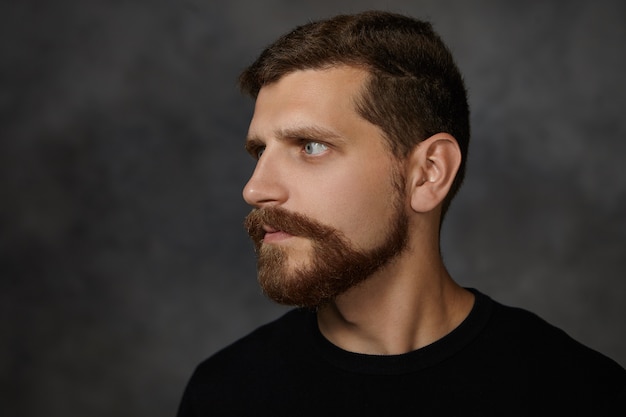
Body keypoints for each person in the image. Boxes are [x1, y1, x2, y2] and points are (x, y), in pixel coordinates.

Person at [176, 10, 626, 416]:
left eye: (310, 146)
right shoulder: (225, 394)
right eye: (259, 151)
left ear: (428, 174)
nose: (255, 188)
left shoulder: (579, 393)